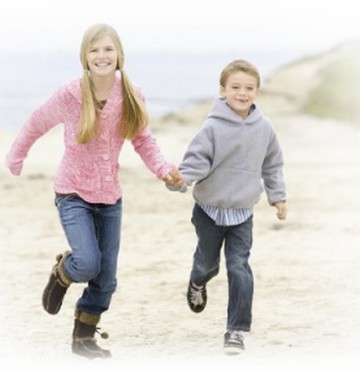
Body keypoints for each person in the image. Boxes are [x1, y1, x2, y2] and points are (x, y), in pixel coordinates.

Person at [5, 23, 183, 359]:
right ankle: (63, 272)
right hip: (72, 193)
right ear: (84, 57)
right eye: (94, 50)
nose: (101, 56)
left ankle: (83, 339)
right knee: (87, 262)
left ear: (119, 56)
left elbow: (143, 140)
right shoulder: (71, 95)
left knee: (106, 278)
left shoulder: (131, 95)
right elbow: (36, 122)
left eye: (108, 49)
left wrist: (163, 170)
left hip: (110, 197)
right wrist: (16, 155)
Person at [167, 59, 287, 354]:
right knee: (208, 265)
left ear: (257, 92)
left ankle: (235, 331)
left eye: (249, 88)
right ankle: (197, 282)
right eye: (235, 87)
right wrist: (179, 181)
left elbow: (272, 164)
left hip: (243, 213)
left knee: (239, 268)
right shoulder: (212, 127)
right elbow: (195, 162)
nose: (242, 93)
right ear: (223, 90)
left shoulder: (264, 128)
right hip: (209, 210)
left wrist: (277, 196)